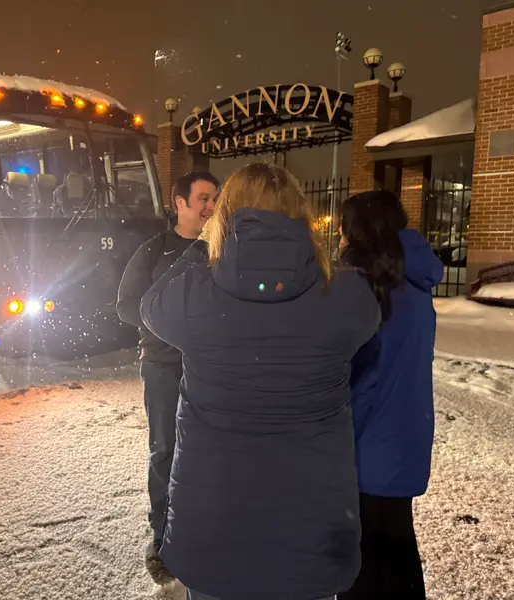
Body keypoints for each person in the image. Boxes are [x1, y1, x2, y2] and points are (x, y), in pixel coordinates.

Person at [139, 163, 381, 600]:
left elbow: (151, 305)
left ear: (224, 215)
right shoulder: (345, 295)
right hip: (310, 529)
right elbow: (368, 328)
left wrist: (200, 246)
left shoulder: (196, 293)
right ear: (300, 214)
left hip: (216, 527)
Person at [337, 191, 444, 600]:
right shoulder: (413, 282)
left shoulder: (365, 289)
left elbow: (361, 380)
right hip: (406, 434)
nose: (341, 237)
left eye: (345, 227)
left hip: (370, 444)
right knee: (397, 546)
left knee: (366, 561)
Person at [116, 171, 219, 585]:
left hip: (211, 368)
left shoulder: (221, 250)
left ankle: (203, 531)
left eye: (215, 200)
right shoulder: (154, 250)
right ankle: (162, 538)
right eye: (203, 199)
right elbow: (126, 306)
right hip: (162, 367)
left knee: (209, 451)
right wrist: (167, 324)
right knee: (165, 452)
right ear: (179, 202)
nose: (210, 208)